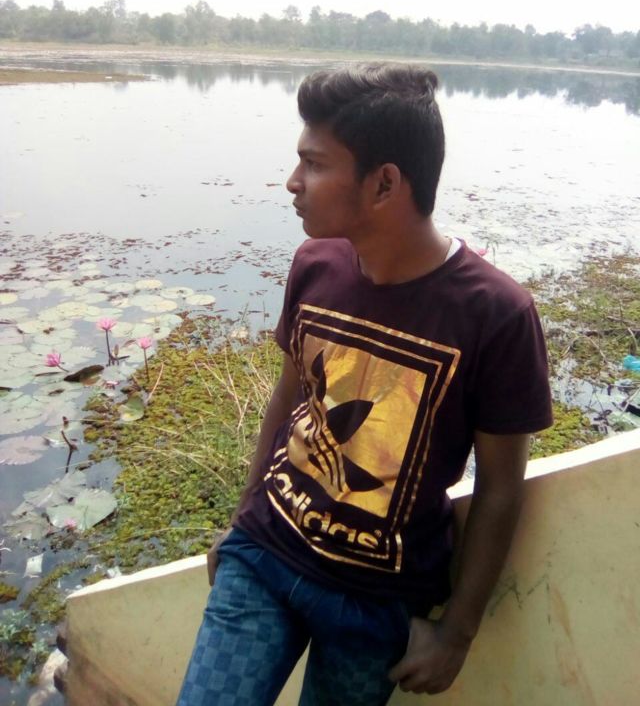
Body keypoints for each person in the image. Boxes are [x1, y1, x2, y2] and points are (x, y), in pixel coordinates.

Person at [176, 63, 552, 706]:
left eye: (314, 164)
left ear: (384, 184)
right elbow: (289, 397)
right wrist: (242, 520)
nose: (293, 182)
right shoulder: (314, 265)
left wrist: (456, 632)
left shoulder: (496, 314)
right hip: (264, 558)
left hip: (378, 603)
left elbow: (499, 486)